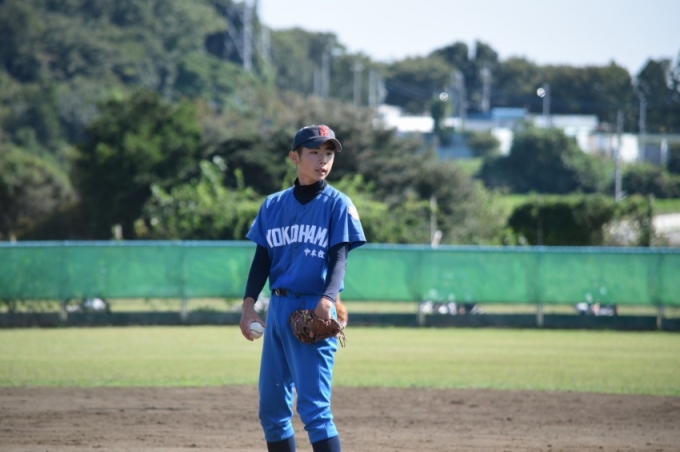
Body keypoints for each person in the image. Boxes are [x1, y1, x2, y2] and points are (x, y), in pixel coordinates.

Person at [239, 124, 366, 452]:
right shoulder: (273, 205)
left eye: (329, 153)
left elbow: (339, 258)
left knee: (314, 411)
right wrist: (248, 305)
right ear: (294, 157)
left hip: (313, 308)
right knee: (271, 411)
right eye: (314, 152)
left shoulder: (337, 204)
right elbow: (262, 259)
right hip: (278, 309)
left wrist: (327, 299)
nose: (323, 160)